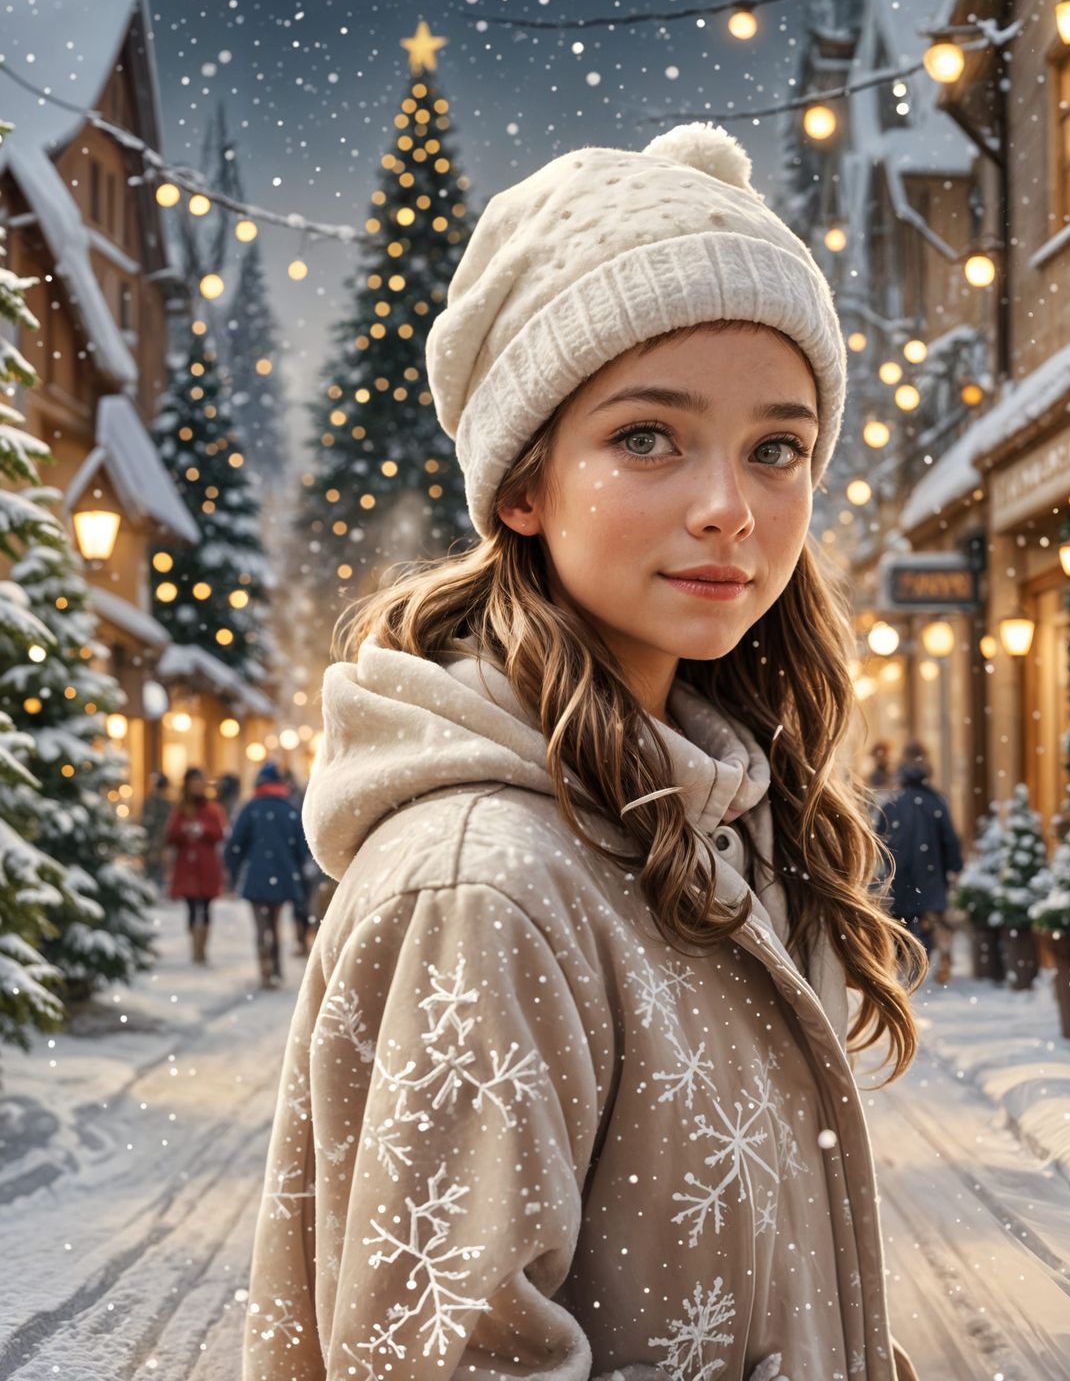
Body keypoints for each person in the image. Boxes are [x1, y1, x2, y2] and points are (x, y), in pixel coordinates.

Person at [242, 122, 924, 1380]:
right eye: (649, 437)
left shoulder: (710, 819)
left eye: (777, 447)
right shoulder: (490, 884)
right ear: (522, 483)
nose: (729, 502)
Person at [878, 739, 964, 980]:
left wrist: (885, 870)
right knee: (930, 920)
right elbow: (950, 839)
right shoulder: (936, 801)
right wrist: (954, 866)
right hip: (930, 874)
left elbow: (879, 840)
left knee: (902, 921)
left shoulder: (893, 803)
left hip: (900, 874)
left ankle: (904, 965)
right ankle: (931, 959)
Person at [224, 761, 313, 989]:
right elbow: (303, 848)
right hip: (283, 876)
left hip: (257, 876)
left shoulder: (251, 808)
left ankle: (266, 970)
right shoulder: (289, 809)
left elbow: (236, 845)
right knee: (274, 924)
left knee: (261, 925)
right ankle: (276, 968)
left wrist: (232, 872)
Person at [166, 766, 225, 964]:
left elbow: (219, 833)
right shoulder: (181, 809)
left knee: (206, 907)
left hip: (206, 865)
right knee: (191, 907)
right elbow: (171, 835)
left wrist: (204, 830)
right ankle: (194, 945)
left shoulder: (212, 809)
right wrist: (185, 831)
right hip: (188, 865)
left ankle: (202, 948)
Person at [138, 771, 171, 886]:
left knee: (157, 873)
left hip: (159, 843)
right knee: (153, 873)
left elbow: (164, 825)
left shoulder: (164, 803)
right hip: (152, 842)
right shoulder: (152, 802)